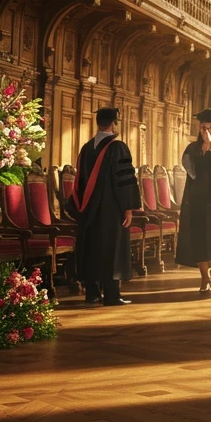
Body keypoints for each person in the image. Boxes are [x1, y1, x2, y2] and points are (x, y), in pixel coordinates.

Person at [68, 107, 141, 307]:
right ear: (114, 123)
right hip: (111, 210)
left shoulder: (86, 148)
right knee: (112, 249)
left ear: (98, 123)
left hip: (89, 209)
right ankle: (111, 295)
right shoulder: (117, 147)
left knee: (92, 248)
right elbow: (124, 179)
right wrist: (128, 207)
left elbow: (80, 182)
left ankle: (92, 293)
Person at [175, 109, 211, 296]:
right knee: (199, 238)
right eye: (204, 127)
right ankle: (204, 277)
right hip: (197, 199)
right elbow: (192, 172)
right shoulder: (192, 149)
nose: (207, 130)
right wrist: (205, 148)